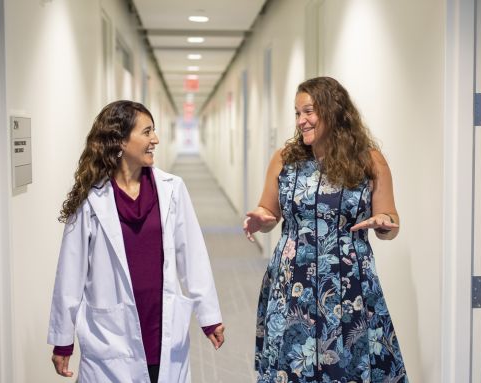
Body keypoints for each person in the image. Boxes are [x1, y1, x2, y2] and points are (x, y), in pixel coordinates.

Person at [243, 77, 408, 382]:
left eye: (308, 111)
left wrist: (384, 224)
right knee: (293, 364)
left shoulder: (369, 161)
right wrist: (262, 219)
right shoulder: (285, 160)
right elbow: (269, 211)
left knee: (349, 364)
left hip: (349, 283)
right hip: (294, 281)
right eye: (297, 113)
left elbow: (391, 220)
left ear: (333, 111)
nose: (301, 121)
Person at [47, 100, 225, 382]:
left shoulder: (172, 189)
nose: (155, 139)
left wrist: (209, 316)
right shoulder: (90, 199)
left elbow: (192, 256)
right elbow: (70, 273)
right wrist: (63, 337)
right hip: (111, 335)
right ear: (119, 140)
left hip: (160, 324)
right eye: (147, 131)